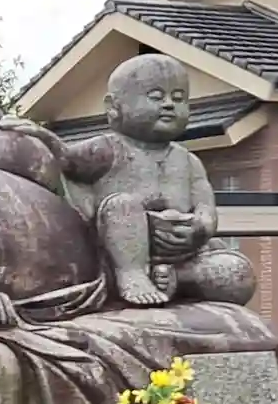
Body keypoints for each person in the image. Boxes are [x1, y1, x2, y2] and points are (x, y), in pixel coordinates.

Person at [58, 52, 255, 308]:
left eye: (178, 98)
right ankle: (133, 276)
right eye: (156, 96)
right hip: (119, 255)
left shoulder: (189, 161)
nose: (169, 104)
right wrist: (37, 138)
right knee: (122, 205)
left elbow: (206, 208)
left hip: (184, 257)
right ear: (114, 106)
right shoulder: (106, 149)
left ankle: (177, 280)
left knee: (239, 273)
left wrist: (199, 228)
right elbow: (62, 159)